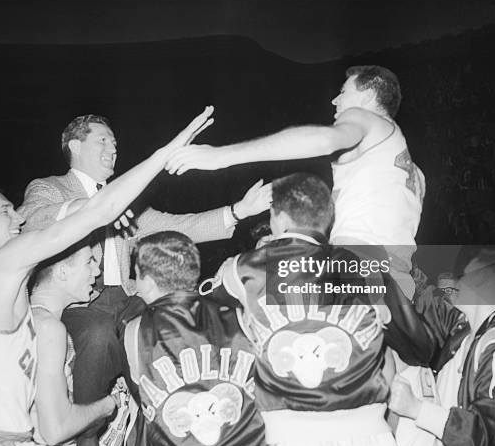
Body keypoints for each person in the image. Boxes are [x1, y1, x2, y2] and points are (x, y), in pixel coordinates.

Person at [0, 107, 214, 446]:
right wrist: (164, 154)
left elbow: (55, 429)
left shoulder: (9, 301)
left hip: (11, 440)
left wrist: (106, 405)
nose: (17, 218)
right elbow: (90, 213)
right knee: (98, 337)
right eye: (5, 211)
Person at [18, 113, 270, 446]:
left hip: (127, 296)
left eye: (115, 143)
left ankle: (179, 423)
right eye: (102, 140)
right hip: (79, 301)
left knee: (180, 316)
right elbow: (35, 219)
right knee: (97, 335)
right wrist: (96, 206)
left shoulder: (126, 198)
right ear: (75, 146)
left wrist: (238, 211)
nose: (113, 148)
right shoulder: (49, 188)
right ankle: (85, 434)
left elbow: (182, 226)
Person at [206, 173, 433, 446]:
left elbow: (209, 337)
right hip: (368, 433)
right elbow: (419, 345)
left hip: (288, 435)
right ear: (327, 219)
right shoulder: (362, 264)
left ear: (278, 217)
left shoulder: (240, 269)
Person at [166, 65, 424, 298]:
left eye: (343, 91)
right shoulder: (409, 170)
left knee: (237, 278)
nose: (335, 100)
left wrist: (219, 156)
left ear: (367, 96)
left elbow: (325, 140)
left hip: (361, 269)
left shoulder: (365, 117)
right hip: (396, 280)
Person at [122, 231, 266, 446]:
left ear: (149, 283)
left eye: (137, 275)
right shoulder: (240, 316)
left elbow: (141, 393)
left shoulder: (135, 330)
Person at [390, 246, 495, 446]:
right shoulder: (463, 328)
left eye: (465, 276)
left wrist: (416, 408)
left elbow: (490, 435)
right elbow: (425, 298)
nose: (455, 283)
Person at [29, 242, 119, 446]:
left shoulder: (33, 319)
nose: (97, 272)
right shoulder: (47, 328)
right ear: (62, 272)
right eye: (89, 262)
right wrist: (107, 405)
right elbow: (54, 432)